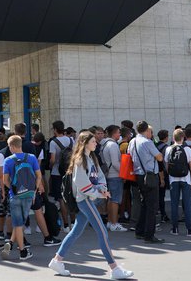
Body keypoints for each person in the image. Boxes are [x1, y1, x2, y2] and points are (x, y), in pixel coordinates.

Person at [48, 131, 134, 280]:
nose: (96, 143)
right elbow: (82, 184)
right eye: (93, 141)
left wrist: (102, 189)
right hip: (85, 200)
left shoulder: (91, 158)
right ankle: (114, 268)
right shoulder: (80, 160)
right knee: (102, 232)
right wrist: (100, 192)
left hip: (88, 198)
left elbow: (99, 176)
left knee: (76, 232)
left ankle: (57, 260)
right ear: (85, 143)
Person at [1, 135, 43, 261]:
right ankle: (12, 243)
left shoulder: (8, 160)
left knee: (18, 223)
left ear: (12, 146)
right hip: (29, 194)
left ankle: (22, 251)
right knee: (21, 222)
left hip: (15, 195)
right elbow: (39, 176)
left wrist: (13, 189)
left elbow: (5, 180)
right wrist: (34, 190)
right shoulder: (31, 157)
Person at [128, 120, 164, 243]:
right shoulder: (147, 142)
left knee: (144, 203)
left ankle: (140, 231)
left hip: (138, 175)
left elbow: (129, 156)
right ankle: (149, 235)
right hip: (149, 176)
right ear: (146, 130)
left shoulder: (132, 141)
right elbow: (159, 157)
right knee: (152, 207)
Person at [164, 129, 191, 236]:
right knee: (187, 204)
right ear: (183, 137)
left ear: (173, 138)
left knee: (174, 204)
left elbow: (167, 165)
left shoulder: (169, 149)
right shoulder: (187, 149)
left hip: (173, 179)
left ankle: (174, 229)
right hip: (186, 179)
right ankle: (189, 230)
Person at [49, 120, 73, 232]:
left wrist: (50, 166)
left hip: (57, 173)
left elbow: (53, 159)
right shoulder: (71, 140)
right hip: (70, 171)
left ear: (55, 129)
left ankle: (66, 225)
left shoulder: (53, 142)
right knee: (70, 197)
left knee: (61, 198)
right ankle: (73, 222)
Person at [100, 125, 126, 232]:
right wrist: (123, 174)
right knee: (115, 200)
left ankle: (111, 222)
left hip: (107, 175)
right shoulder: (113, 145)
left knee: (110, 200)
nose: (120, 135)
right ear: (114, 133)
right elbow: (116, 163)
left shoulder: (104, 144)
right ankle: (114, 223)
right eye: (118, 132)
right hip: (115, 175)